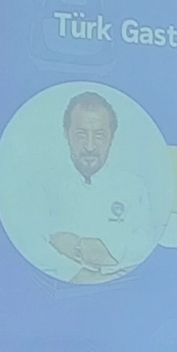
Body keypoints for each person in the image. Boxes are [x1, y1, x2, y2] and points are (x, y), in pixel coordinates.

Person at [41, 91, 156, 283]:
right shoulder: (44, 185)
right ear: (66, 134)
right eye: (81, 135)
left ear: (112, 137)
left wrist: (76, 247)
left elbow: (141, 254)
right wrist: (81, 274)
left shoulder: (133, 187)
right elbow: (35, 249)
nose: (90, 146)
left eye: (99, 135)